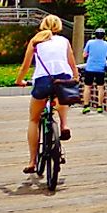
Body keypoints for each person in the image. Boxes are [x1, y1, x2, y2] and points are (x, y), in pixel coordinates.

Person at [15, 14, 79, 174]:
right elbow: (72, 63)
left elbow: (25, 66)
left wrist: (19, 80)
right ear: (58, 26)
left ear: (43, 25)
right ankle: (64, 125)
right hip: (63, 78)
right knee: (62, 97)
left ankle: (32, 162)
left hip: (43, 80)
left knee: (34, 119)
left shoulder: (36, 41)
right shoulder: (64, 41)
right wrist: (76, 78)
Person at [80, 28, 107, 113]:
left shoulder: (90, 42)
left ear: (95, 35)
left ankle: (86, 106)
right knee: (100, 88)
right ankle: (100, 106)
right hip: (101, 68)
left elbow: (84, 55)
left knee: (87, 87)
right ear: (104, 36)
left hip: (90, 67)